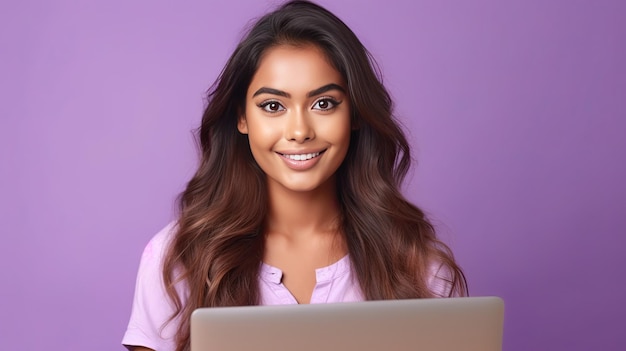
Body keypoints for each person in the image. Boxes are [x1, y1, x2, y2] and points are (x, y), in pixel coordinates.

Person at [122, 1, 468, 350]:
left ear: (356, 113)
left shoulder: (416, 263)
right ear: (242, 118)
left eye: (324, 103)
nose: (300, 131)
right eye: (273, 106)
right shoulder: (178, 259)